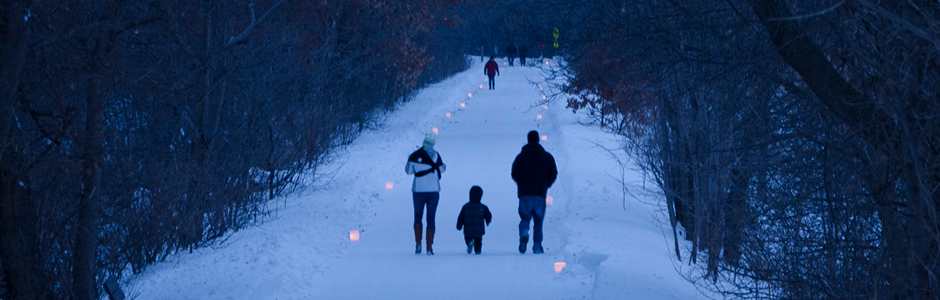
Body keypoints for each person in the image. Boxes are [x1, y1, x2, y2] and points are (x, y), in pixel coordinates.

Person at [511, 130, 557, 254]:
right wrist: (546, 184)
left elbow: (514, 173)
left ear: (528, 140)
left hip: (525, 194)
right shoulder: (547, 157)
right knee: (538, 221)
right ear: (538, 140)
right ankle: (537, 246)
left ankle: (524, 233)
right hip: (540, 194)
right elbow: (553, 173)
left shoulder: (520, 157)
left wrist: (521, 183)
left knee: (525, 218)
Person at [406, 135, 447, 255]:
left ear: (423, 143)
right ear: (433, 144)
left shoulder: (414, 155)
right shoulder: (436, 155)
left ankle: (418, 244)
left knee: (418, 216)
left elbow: (408, 171)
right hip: (433, 190)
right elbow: (442, 169)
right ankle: (429, 248)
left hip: (418, 190)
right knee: (431, 218)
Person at [456, 186, 492, 255]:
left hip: (468, 228)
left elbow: (461, 217)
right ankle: (478, 250)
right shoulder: (483, 207)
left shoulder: (466, 207)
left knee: (467, 237)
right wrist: (488, 221)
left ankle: (469, 242)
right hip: (479, 228)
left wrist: (459, 225)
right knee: (478, 239)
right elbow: (488, 215)